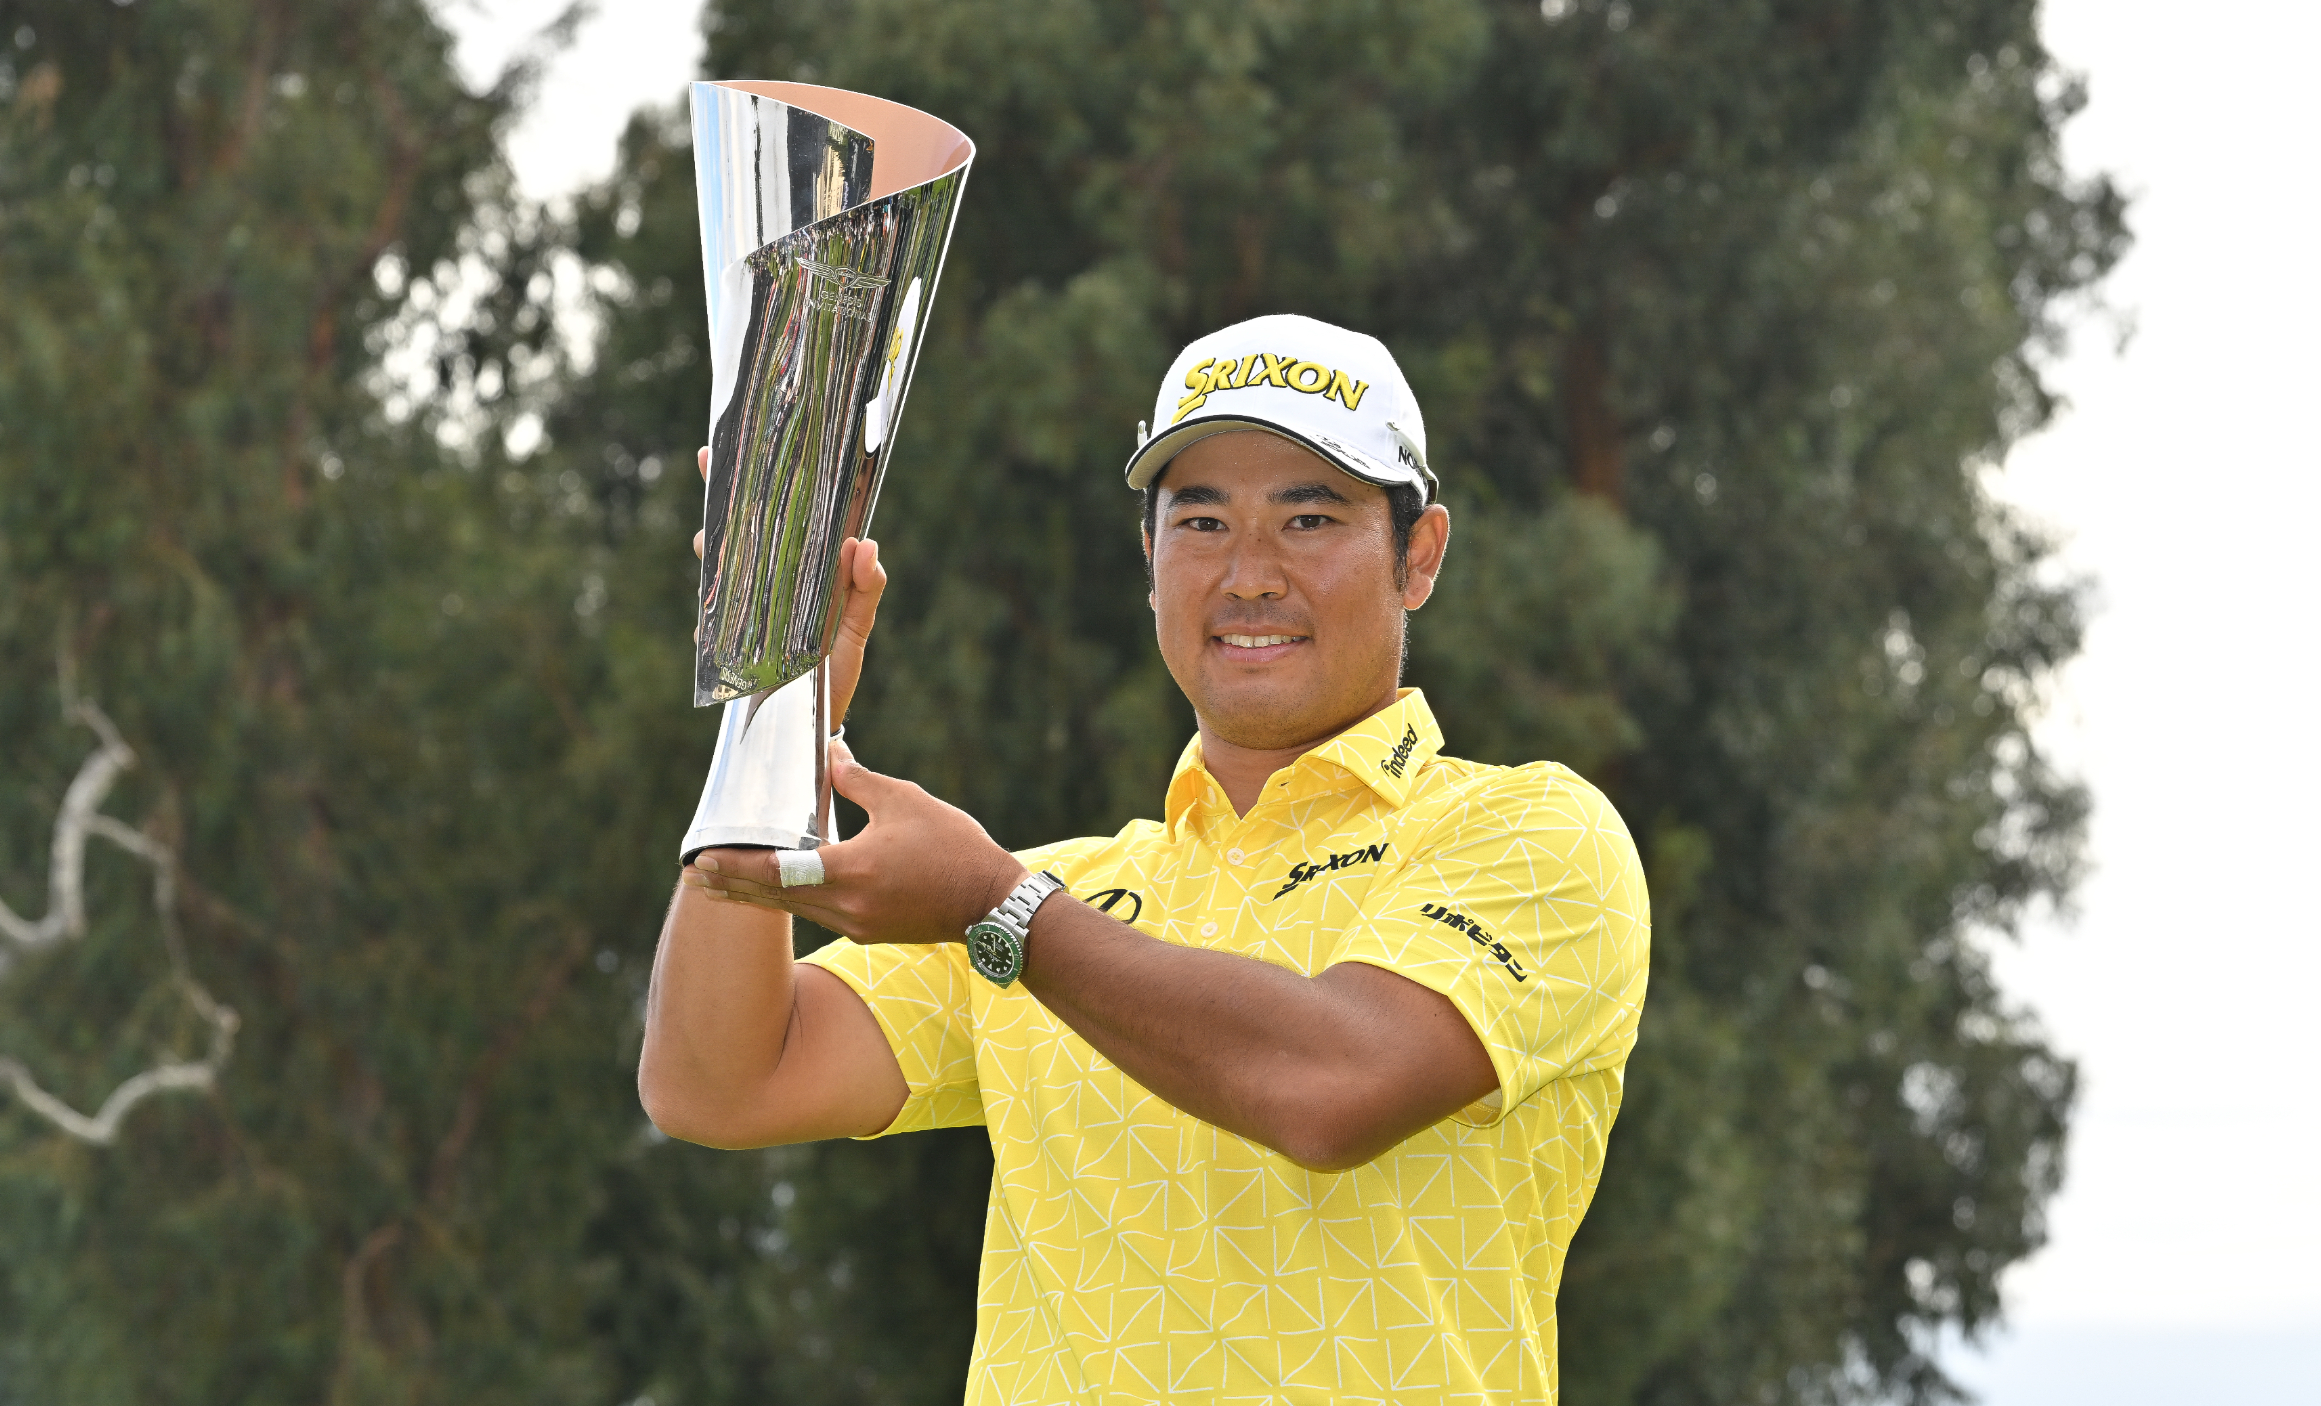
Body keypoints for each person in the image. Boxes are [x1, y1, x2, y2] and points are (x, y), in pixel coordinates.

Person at [640, 313, 1652, 1405]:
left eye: (1309, 517)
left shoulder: (1534, 831)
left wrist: (1005, 910)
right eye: (1202, 520)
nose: (1250, 573)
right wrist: (772, 712)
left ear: (1420, 554)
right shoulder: (1065, 892)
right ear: (1150, 559)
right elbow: (717, 1079)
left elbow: (1337, 1084)